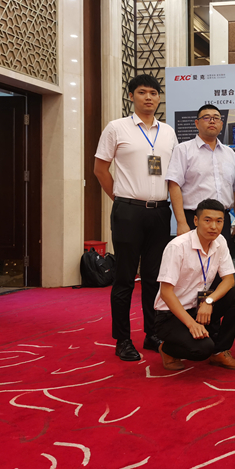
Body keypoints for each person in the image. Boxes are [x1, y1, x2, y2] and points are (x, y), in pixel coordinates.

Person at [94, 74, 178, 361]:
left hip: (160, 212)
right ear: (131, 96)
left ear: (159, 97)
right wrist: (119, 199)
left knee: (155, 278)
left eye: (153, 93)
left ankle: (152, 334)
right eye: (142, 92)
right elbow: (100, 169)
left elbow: (173, 174)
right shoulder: (116, 128)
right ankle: (123, 340)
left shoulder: (168, 132)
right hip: (128, 212)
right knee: (125, 278)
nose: (148, 98)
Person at [154, 199, 235, 371]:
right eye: (208, 220)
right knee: (202, 349)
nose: (214, 226)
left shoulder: (220, 242)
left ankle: (220, 352)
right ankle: (166, 349)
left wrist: (209, 301)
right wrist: (192, 324)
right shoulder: (177, 246)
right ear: (196, 221)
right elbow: (166, 293)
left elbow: (229, 280)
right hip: (170, 314)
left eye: (219, 221)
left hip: (199, 307)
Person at [166, 104, 235, 245]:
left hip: (222, 221)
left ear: (221, 124)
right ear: (197, 123)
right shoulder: (183, 150)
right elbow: (174, 185)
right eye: (206, 118)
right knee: (192, 258)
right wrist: (181, 222)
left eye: (216, 118)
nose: (212, 121)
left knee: (221, 258)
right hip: (194, 219)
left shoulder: (230, 154)